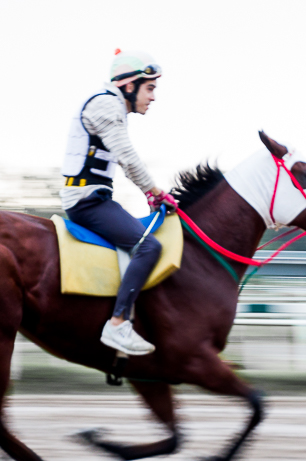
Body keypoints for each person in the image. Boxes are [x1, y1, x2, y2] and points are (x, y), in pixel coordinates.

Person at [60, 49, 177, 356]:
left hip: (96, 198)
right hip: (87, 201)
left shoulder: (113, 107)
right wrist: (155, 192)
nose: (153, 97)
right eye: (149, 88)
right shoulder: (105, 104)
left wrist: (150, 194)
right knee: (149, 247)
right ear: (129, 85)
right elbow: (128, 158)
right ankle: (118, 324)